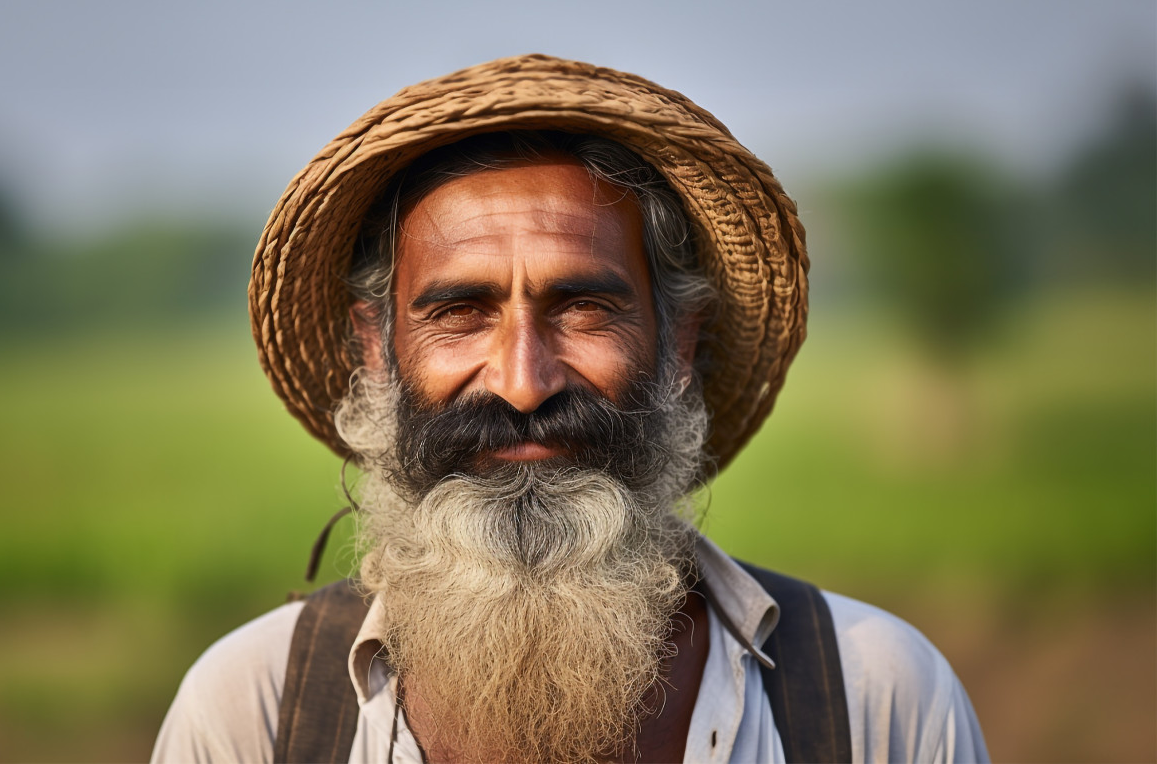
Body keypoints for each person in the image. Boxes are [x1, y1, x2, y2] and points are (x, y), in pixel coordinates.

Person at [151, 55, 988, 764]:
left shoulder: (878, 704)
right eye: (460, 311)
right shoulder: (254, 717)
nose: (523, 382)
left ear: (681, 345)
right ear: (376, 349)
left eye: (585, 307)